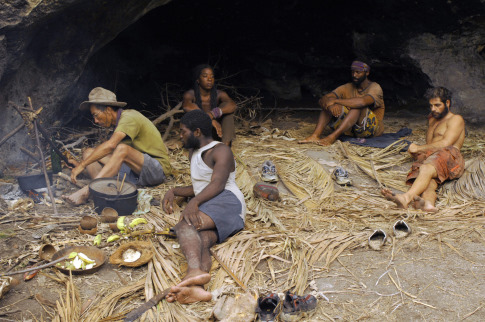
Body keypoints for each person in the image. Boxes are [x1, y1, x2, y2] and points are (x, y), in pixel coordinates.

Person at [162, 109, 246, 303]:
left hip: (228, 201)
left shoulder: (220, 150)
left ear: (197, 132)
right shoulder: (194, 152)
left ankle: (192, 271)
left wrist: (194, 202)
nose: (180, 136)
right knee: (201, 239)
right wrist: (175, 191)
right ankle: (197, 287)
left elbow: (217, 183)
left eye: (183, 131)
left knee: (186, 224)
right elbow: (201, 186)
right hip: (213, 203)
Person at [63, 87, 172, 205]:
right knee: (88, 153)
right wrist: (80, 166)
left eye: (96, 115)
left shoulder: (129, 117)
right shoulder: (119, 124)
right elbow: (113, 160)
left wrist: (83, 165)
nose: (95, 121)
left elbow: (111, 146)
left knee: (122, 149)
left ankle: (88, 191)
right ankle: (104, 190)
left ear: (108, 110)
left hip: (156, 171)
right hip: (136, 172)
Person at [381, 87, 465, 212]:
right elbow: (430, 144)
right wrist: (418, 152)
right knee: (428, 180)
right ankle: (428, 204)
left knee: (426, 168)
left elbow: (446, 143)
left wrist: (418, 148)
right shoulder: (432, 119)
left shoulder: (456, 119)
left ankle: (406, 198)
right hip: (434, 158)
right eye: (431, 105)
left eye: (437, 105)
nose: (433, 109)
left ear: (447, 103)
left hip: (450, 156)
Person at [299, 60, 385, 146]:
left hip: (372, 130)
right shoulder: (348, 86)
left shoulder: (375, 87)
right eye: (353, 72)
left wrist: (336, 101)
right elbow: (323, 99)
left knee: (357, 107)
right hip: (352, 130)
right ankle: (315, 136)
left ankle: (332, 137)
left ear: (367, 73)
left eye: (358, 72)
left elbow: (362, 102)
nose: (354, 75)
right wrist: (330, 106)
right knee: (328, 104)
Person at [182, 64, 237, 146]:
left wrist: (213, 113)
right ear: (198, 80)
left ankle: (225, 148)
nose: (209, 79)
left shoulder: (219, 94)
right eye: (205, 76)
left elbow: (232, 105)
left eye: (212, 76)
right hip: (199, 132)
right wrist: (209, 119)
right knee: (193, 115)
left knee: (228, 115)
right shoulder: (190, 94)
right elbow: (187, 107)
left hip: (217, 132)